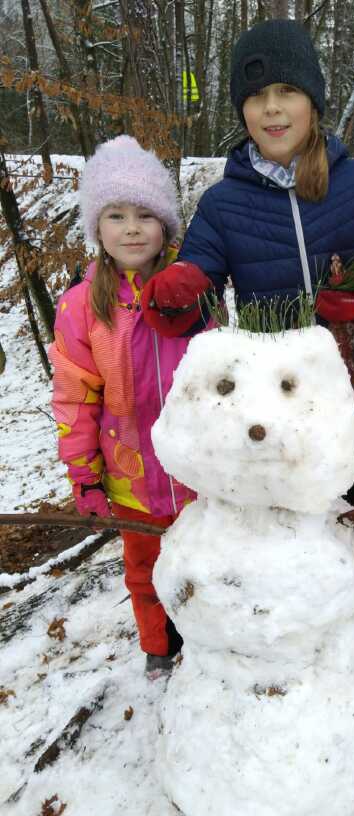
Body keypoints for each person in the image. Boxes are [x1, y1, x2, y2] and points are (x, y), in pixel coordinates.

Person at [140, 19, 354, 637]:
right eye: (255, 96)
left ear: (313, 101)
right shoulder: (224, 203)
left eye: (286, 91)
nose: (271, 108)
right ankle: (294, 599)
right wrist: (179, 290)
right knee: (293, 486)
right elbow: (199, 282)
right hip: (277, 389)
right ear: (241, 111)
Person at [49, 136, 198, 680]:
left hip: (196, 477)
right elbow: (74, 398)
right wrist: (84, 477)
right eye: (116, 215)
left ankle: (206, 647)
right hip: (130, 479)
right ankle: (159, 647)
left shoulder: (194, 292)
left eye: (145, 215)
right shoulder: (81, 307)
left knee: (202, 565)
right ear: (97, 227)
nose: (131, 229)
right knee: (144, 571)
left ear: (166, 226)